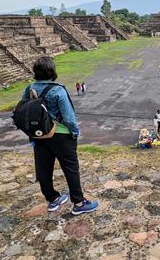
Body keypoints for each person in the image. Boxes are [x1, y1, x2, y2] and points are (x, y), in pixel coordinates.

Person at [22, 56, 98, 215]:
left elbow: (24, 111)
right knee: (70, 168)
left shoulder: (29, 89)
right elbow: (69, 118)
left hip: (39, 135)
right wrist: (75, 133)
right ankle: (78, 202)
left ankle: (52, 199)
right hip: (61, 135)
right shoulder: (57, 90)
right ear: (52, 71)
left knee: (43, 168)